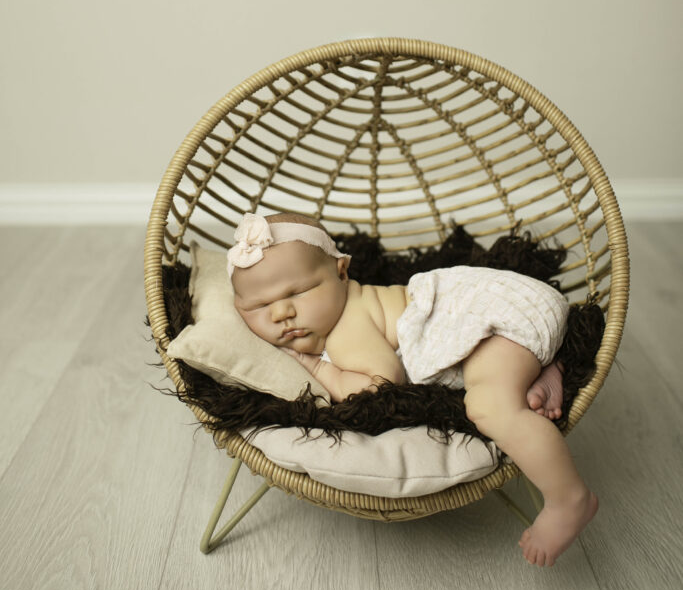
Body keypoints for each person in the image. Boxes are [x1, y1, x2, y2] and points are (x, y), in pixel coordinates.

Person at [228, 211, 599, 567]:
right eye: (260, 306)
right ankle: (545, 365)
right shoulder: (338, 311)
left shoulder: (346, 328)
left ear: (342, 272)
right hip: (515, 309)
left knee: (487, 406)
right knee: (495, 376)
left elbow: (381, 383)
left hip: (495, 319)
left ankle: (568, 497)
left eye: (299, 291)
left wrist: (316, 367)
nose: (281, 314)